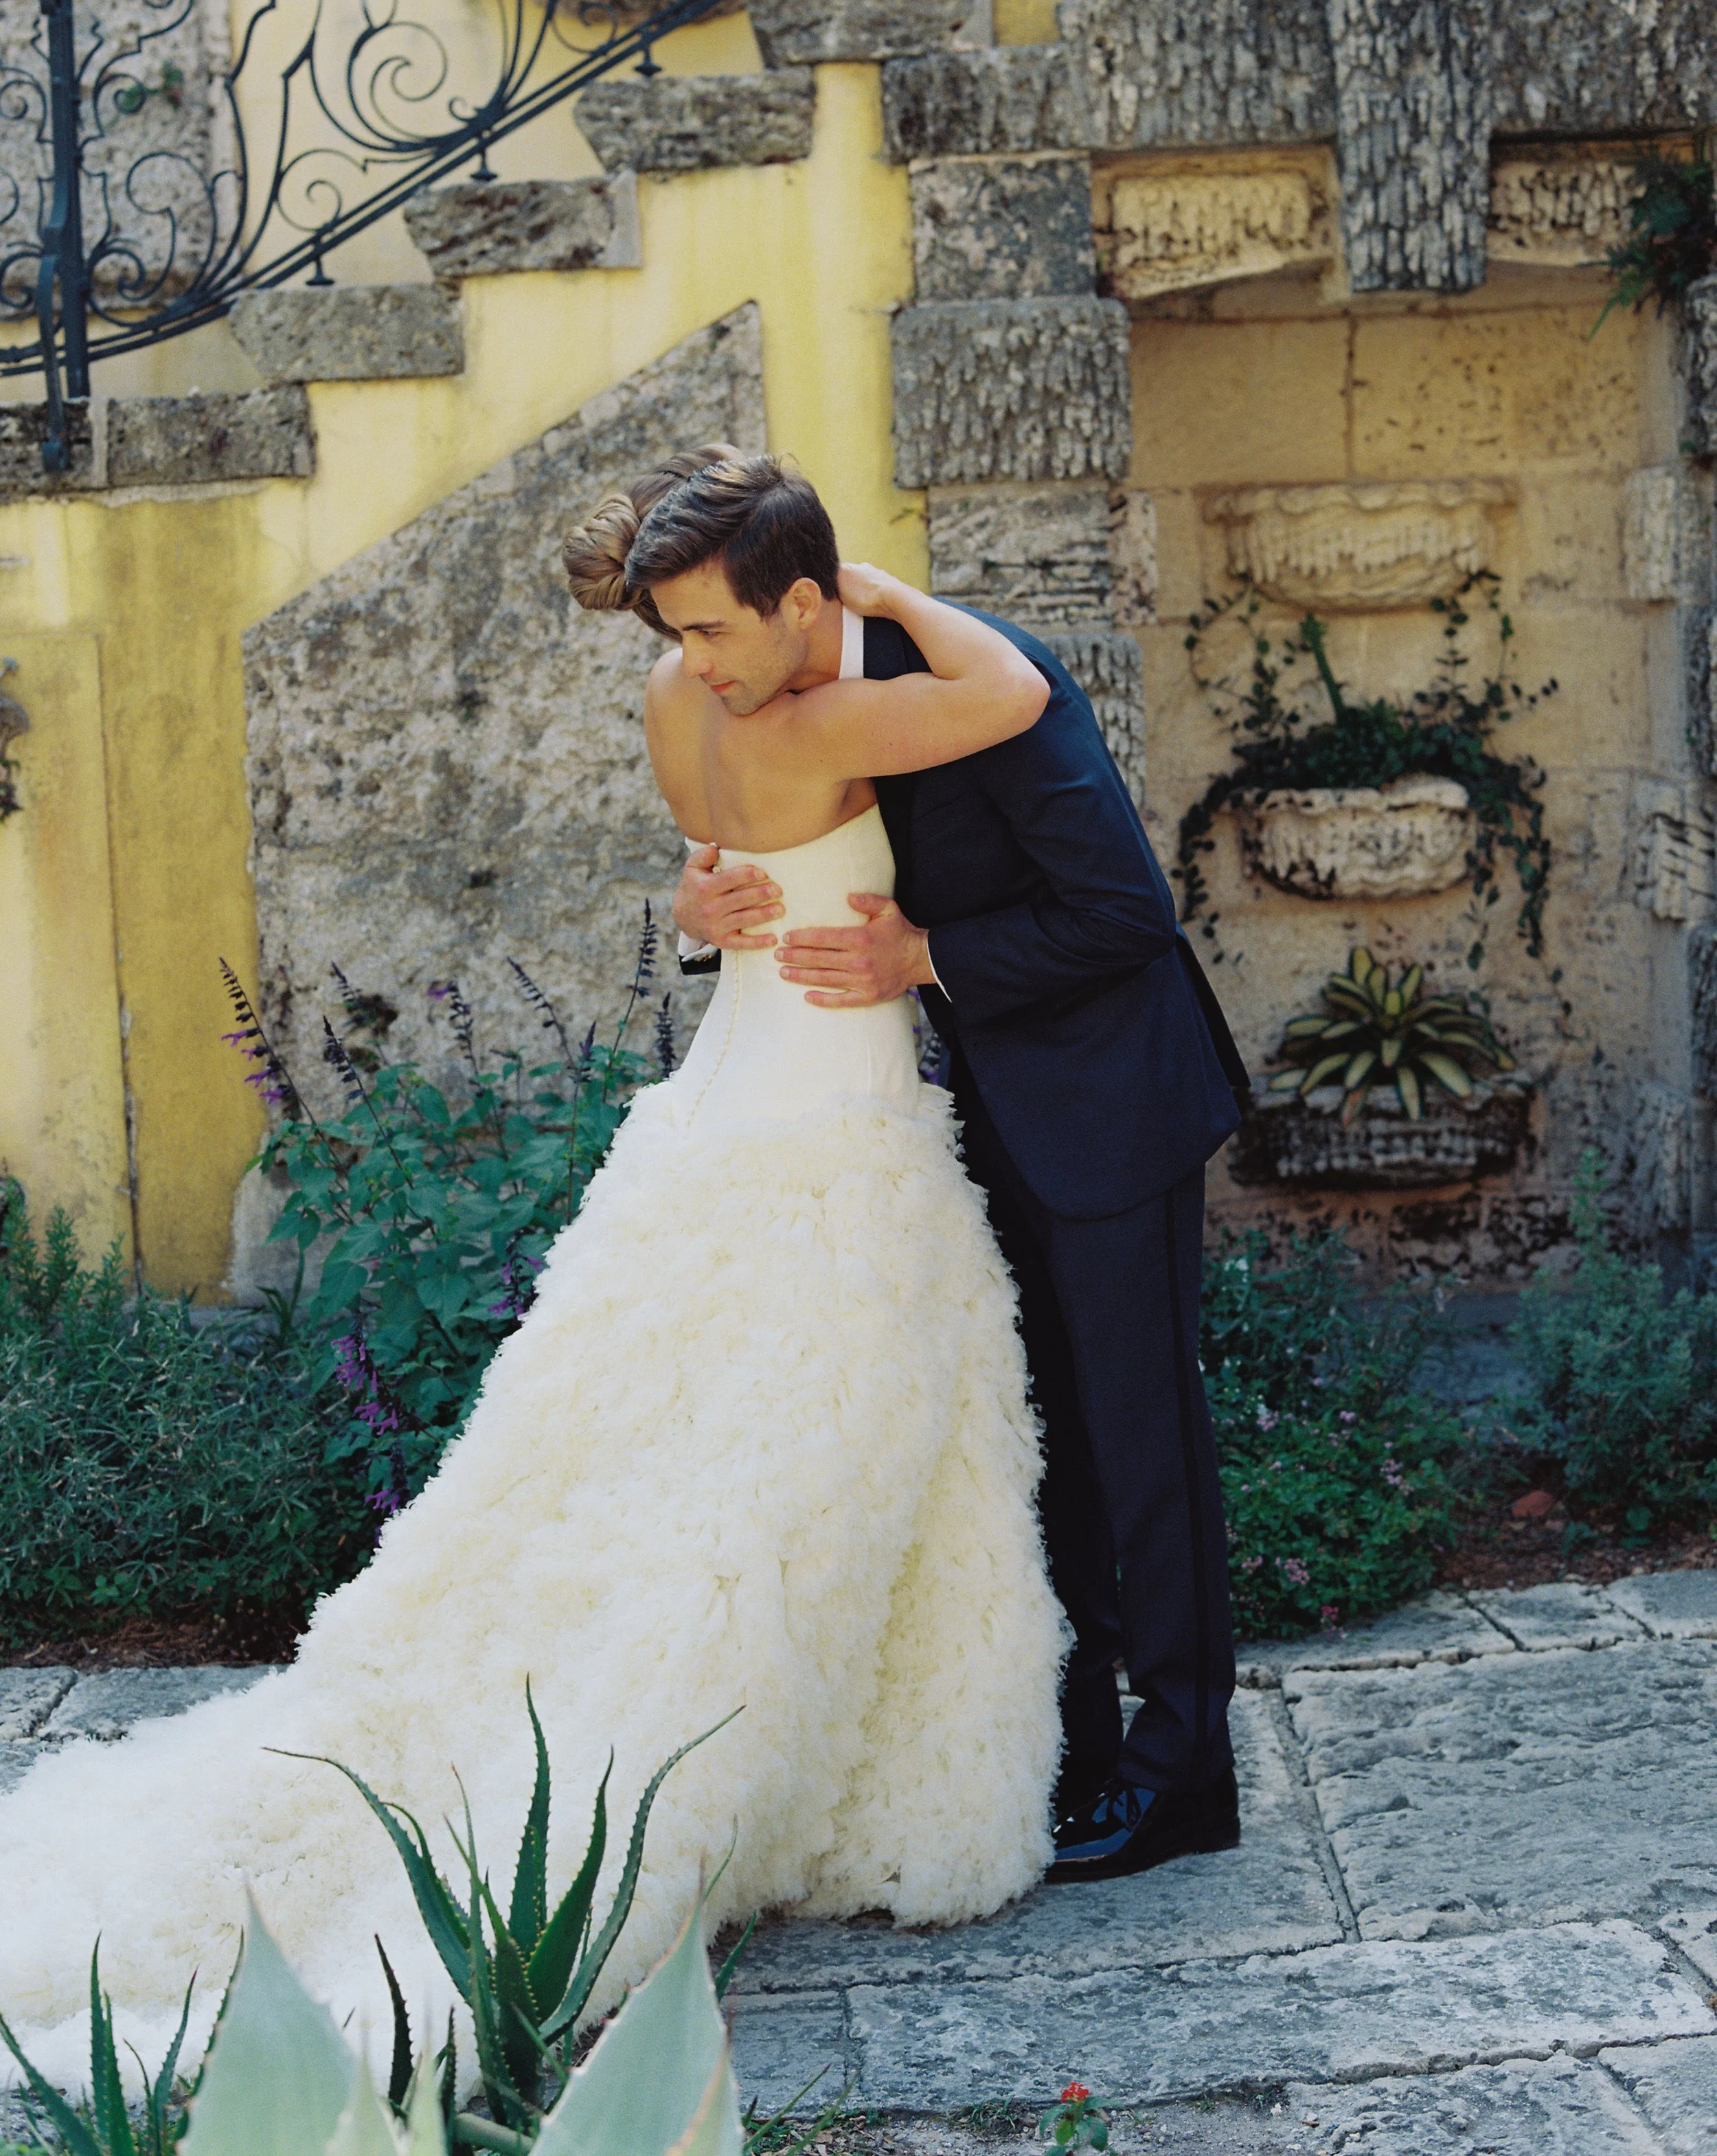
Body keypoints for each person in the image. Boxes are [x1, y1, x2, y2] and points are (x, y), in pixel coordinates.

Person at [0, 449, 1067, 2093]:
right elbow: (1008, 687)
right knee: (781, 1470)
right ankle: (697, 1781)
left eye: (713, 626)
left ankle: (799, 1770)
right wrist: (881, 599)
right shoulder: (827, 709)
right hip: (826, 1122)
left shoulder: (670, 710)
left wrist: (711, 895)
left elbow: (716, 882)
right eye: (685, 632)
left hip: (718, 1104)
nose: (697, 661)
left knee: (721, 1456)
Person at [672, 472, 1251, 1884]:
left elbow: (1123, 911)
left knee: (1138, 1446)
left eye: (707, 631)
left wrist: (920, 960)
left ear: (799, 605)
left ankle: (1184, 1776)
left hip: (1107, 1101)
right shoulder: (778, 700)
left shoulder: (981, 680)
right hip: (976, 1110)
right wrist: (703, 908)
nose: (691, 664)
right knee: (1036, 1441)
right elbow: (783, 855)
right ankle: (1078, 1753)